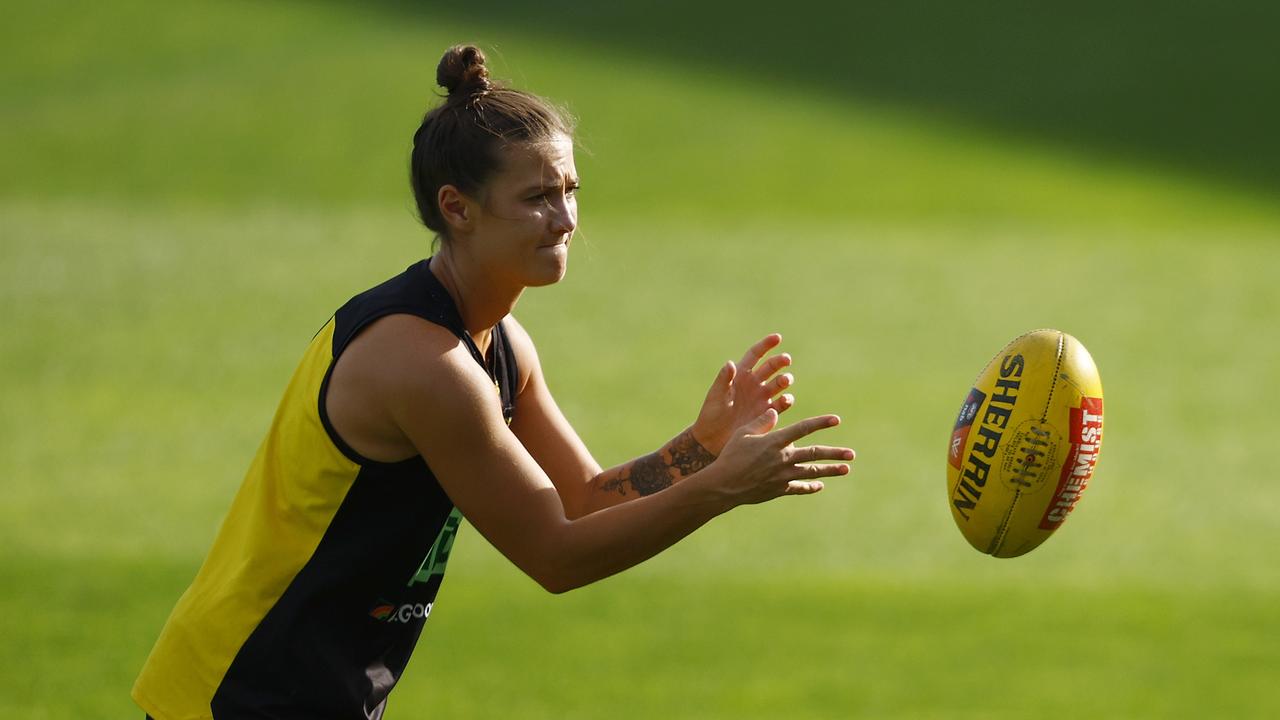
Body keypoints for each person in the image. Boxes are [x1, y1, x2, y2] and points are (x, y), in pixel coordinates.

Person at [132, 44, 855, 720]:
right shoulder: (426, 366)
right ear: (457, 208)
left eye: (572, 189)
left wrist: (700, 446)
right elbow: (556, 557)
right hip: (243, 690)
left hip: (314, 686)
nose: (565, 218)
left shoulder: (500, 343)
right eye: (538, 196)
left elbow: (578, 499)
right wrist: (722, 485)